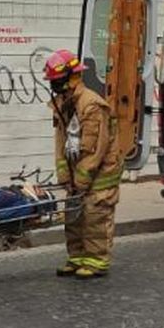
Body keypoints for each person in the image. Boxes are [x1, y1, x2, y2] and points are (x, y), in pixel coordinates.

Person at [45, 49, 124, 279]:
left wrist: (81, 179)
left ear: (72, 77)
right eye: (52, 82)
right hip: (77, 172)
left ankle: (96, 260)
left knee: (94, 215)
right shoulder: (63, 103)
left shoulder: (91, 105)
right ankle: (77, 256)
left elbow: (94, 150)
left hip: (100, 173)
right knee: (74, 215)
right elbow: (61, 141)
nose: (54, 86)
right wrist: (64, 176)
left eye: (57, 81)